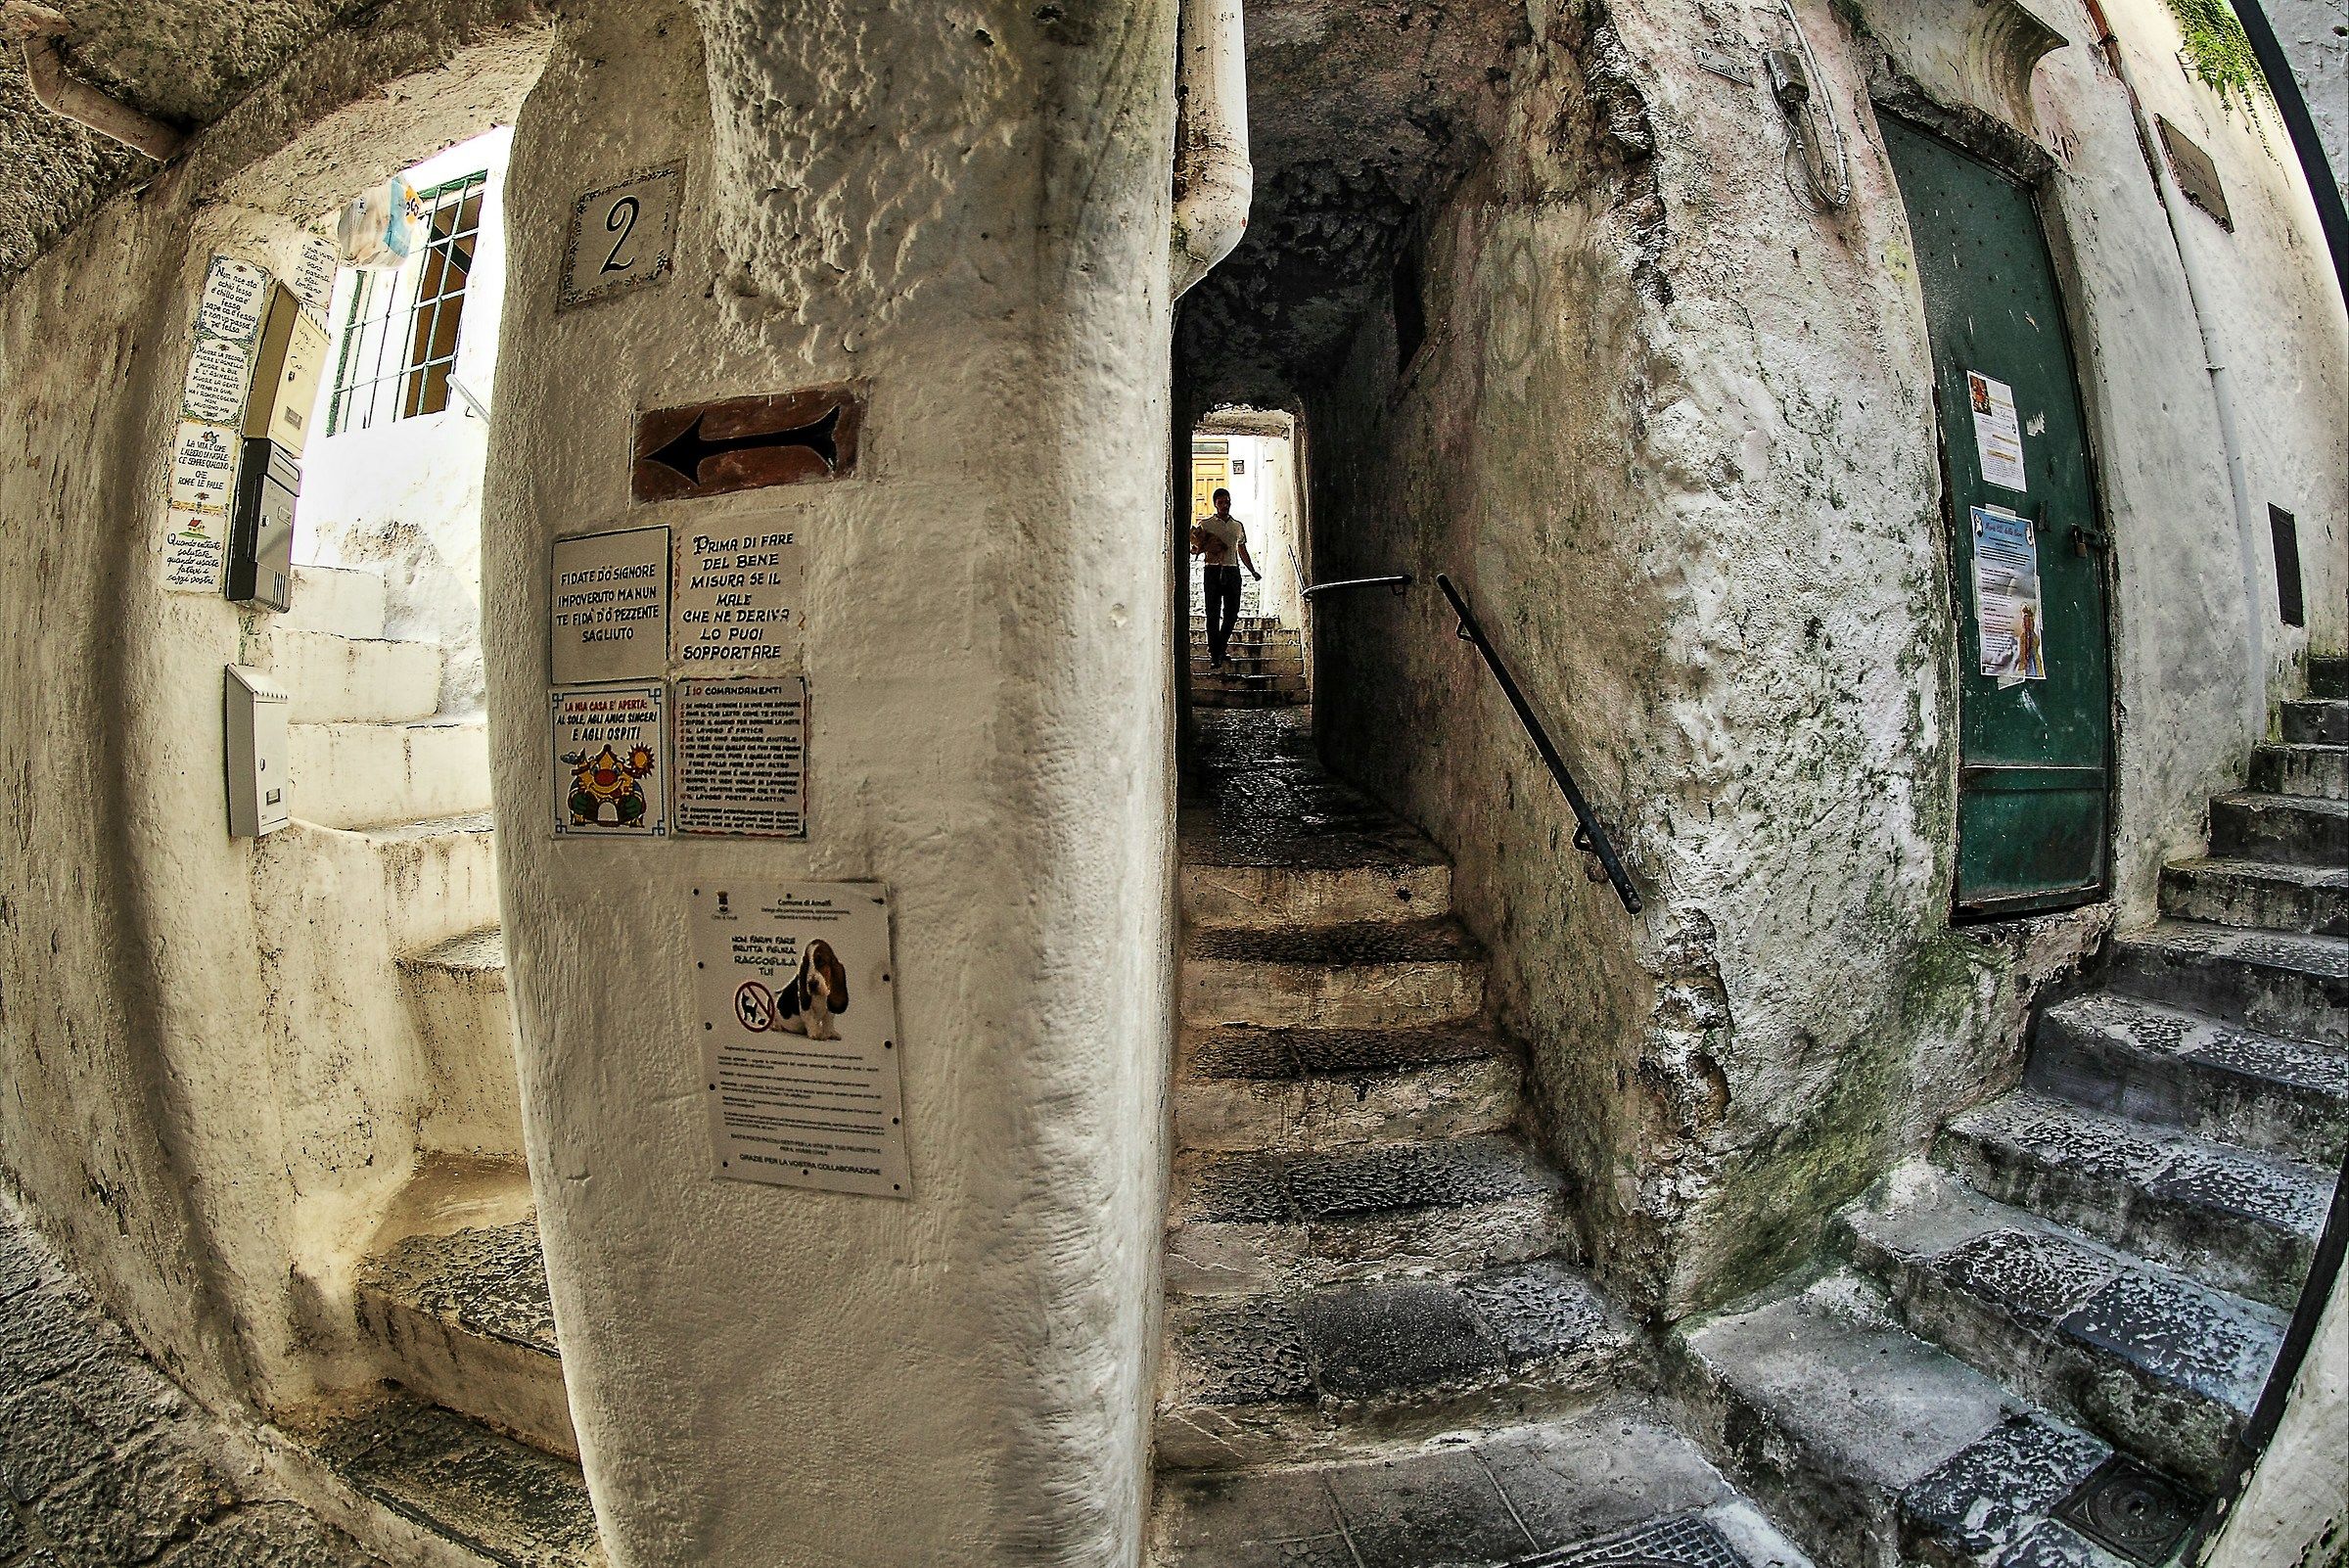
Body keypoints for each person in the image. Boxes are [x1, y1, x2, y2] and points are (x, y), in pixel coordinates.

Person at [1190, 487, 1261, 671]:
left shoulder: (1237, 526)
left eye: (1227, 501)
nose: (1225, 505)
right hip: (1212, 571)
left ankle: (1218, 647)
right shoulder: (1205, 524)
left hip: (1232, 572)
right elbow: (1198, 547)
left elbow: (1242, 550)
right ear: (1215, 504)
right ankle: (1216, 654)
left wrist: (1252, 571)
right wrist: (1198, 548)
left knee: (1232, 614)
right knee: (1212, 614)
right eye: (1221, 502)